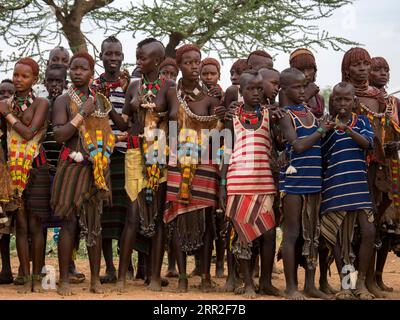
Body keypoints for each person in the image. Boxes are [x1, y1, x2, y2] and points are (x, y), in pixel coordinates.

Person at [115, 38, 178, 292]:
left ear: (158, 61)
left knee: (159, 217)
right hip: (134, 152)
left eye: (143, 57)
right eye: (137, 56)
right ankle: (121, 277)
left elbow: (174, 119)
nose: (139, 61)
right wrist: (109, 108)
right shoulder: (133, 86)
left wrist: (159, 114)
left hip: (158, 153)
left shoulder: (170, 87)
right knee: (132, 215)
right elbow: (123, 124)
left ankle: (154, 275)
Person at [51, 52, 114, 295]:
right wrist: (82, 114)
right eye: (74, 68)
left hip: (95, 168)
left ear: (91, 71)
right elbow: (59, 136)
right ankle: (65, 279)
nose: (77, 72)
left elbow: (106, 133)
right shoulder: (63, 101)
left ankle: (95, 280)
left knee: (94, 224)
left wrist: (102, 160)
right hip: (71, 168)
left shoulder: (100, 100)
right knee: (68, 224)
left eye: (83, 68)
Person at [164, 44, 224, 293]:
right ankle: (182, 278)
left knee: (206, 220)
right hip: (176, 162)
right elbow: (159, 121)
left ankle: (206, 276)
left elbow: (218, 136)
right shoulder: (170, 93)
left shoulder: (211, 99)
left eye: (197, 61)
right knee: (177, 218)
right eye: (188, 62)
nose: (195, 65)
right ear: (179, 66)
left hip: (204, 163)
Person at [220, 70, 284, 298]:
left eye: (260, 88)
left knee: (267, 235)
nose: (257, 92)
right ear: (241, 91)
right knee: (243, 236)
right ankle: (247, 283)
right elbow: (226, 152)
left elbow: (279, 143)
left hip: (264, 182)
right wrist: (222, 184)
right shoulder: (231, 117)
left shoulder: (269, 115)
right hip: (238, 182)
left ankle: (265, 282)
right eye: (251, 89)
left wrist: (278, 122)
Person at [278, 67, 333, 300]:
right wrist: (322, 130)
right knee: (292, 234)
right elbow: (298, 146)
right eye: (296, 87)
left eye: (304, 86)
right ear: (284, 90)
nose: (302, 91)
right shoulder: (285, 116)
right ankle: (291, 287)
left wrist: (325, 127)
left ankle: (310, 285)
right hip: (294, 183)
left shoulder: (310, 114)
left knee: (312, 233)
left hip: (314, 183)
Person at [341, 47, 391, 298]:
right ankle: (348, 285)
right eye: (357, 64)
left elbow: (381, 133)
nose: (363, 69)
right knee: (348, 230)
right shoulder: (344, 94)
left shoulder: (378, 98)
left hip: (374, 168)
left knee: (371, 227)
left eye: (366, 64)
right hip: (349, 167)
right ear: (346, 68)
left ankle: (368, 281)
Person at [320, 82, 376, 300]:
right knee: (337, 238)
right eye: (337, 99)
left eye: (346, 100)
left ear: (354, 101)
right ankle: (346, 285)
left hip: (359, 188)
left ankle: (360, 283)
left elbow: (367, 144)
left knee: (369, 233)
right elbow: (321, 156)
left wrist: (349, 130)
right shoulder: (327, 126)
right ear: (332, 101)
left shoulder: (361, 122)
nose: (342, 104)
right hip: (335, 188)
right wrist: (325, 130)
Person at [0, 58, 50, 293]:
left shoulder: (41, 103)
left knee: (36, 225)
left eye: (25, 76)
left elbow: (30, 133)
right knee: (20, 226)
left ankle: (38, 279)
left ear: (35, 79)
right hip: (14, 170)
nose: (19, 80)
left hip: (36, 169)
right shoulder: (6, 102)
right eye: (16, 75)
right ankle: (26, 276)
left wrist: (8, 115)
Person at [91, 36, 131, 284]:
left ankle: (126, 267)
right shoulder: (93, 86)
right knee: (104, 212)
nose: (113, 58)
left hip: (125, 154)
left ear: (122, 56)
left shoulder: (130, 86)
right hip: (100, 156)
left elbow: (126, 123)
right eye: (109, 54)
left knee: (125, 212)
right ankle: (109, 268)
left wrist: (108, 103)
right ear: (101, 57)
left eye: (117, 54)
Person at [369, 56, 400, 292]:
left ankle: (379, 277)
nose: (382, 74)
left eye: (386, 70)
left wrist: (395, 145)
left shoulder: (394, 103)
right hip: (371, 166)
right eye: (377, 69)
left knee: (388, 224)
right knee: (372, 223)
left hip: (392, 168)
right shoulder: (365, 102)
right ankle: (367, 278)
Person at [0, 79, 15, 285]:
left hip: (15, 176)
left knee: (8, 228)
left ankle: (9, 269)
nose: (4, 96)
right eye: (1, 92)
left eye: (8, 92)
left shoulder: (17, 115)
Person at [289, 48, 325, 119]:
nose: (306, 74)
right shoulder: (288, 95)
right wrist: (307, 96)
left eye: (309, 69)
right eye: (300, 69)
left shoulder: (320, 99)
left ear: (314, 70)